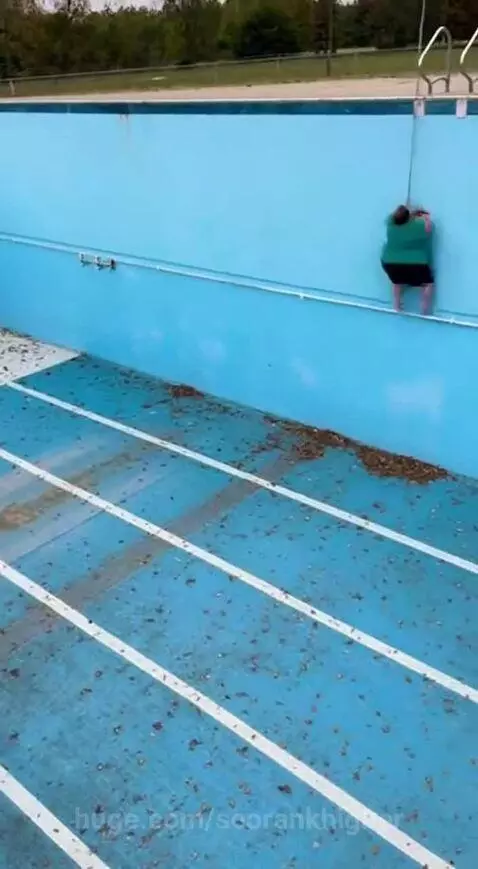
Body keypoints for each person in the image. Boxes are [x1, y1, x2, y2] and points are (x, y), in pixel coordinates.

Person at [381, 205, 434, 315]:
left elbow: (398, 217)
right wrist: (426, 217)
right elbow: (428, 230)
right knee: (427, 284)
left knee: (397, 282)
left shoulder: (390, 223)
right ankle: (424, 311)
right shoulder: (418, 226)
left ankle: (397, 307)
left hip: (390, 262)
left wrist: (411, 214)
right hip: (415, 262)